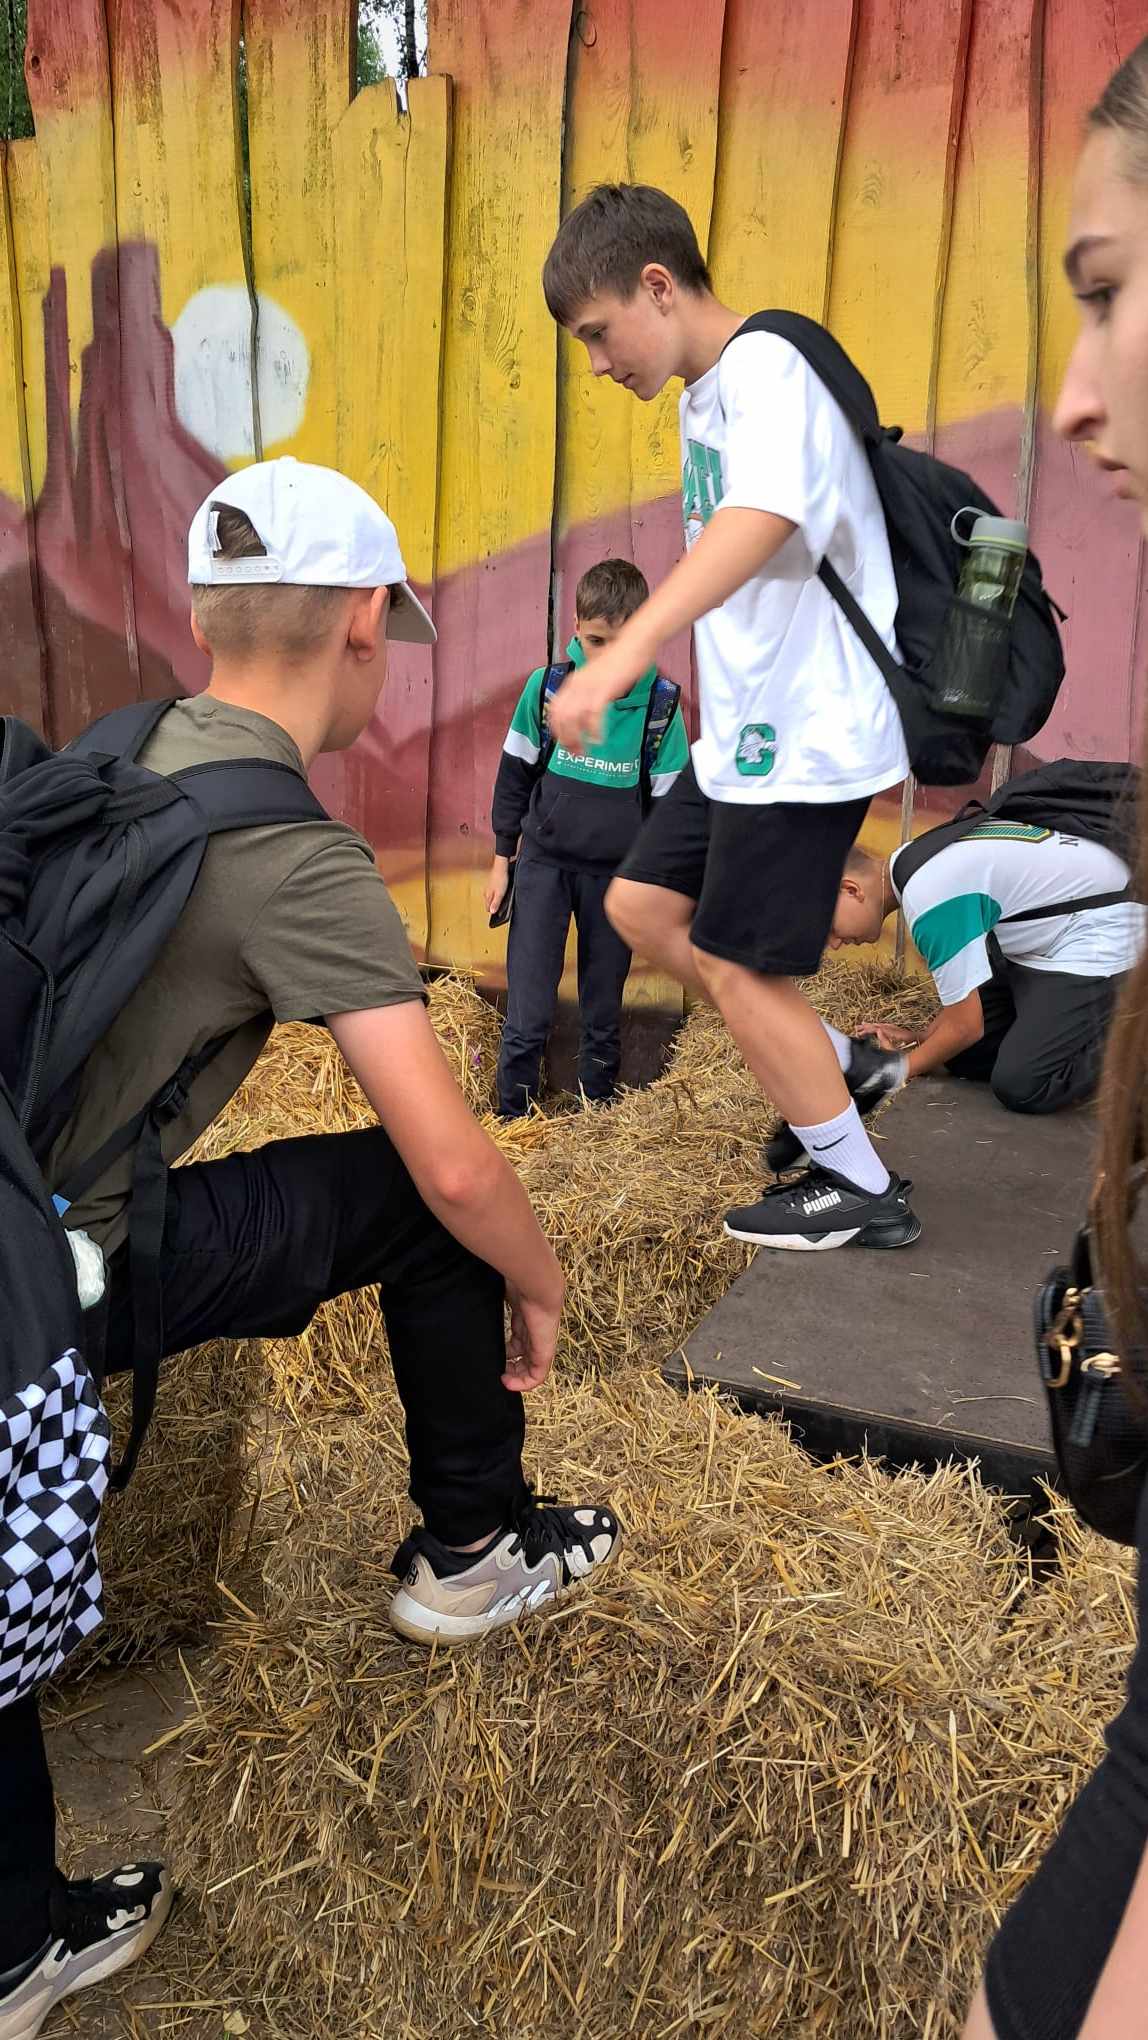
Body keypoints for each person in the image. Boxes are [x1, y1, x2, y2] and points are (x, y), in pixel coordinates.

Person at [0, 457, 619, 2040]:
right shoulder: (294, 853)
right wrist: (541, 1277)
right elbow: (456, 1161)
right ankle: (473, 1550)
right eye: (386, 637)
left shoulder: (122, 747)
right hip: (65, 1278)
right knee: (424, 1201)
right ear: (359, 621)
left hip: (2, 1248)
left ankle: (16, 1947)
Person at [540, 183, 919, 1254]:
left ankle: (857, 1185)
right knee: (640, 904)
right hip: (748, 741)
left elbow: (762, 517)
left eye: (598, 332)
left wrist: (627, 652)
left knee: (741, 963)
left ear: (657, 286)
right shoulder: (705, 397)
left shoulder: (765, 368)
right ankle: (842, 1066)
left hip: (807, 733)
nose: (596, 364)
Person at [963, 38, 1148, 2040]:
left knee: (1009, 1062)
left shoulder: (930, 882)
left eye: (1102, 291)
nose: (1072, 394)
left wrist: (890, 1054)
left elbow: (950, 1004)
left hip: (1086, 965)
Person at [485, 557, 688, 1116]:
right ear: (575, 627)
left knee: (603, 1006)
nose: (605, 658)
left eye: (620, 644)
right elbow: (514, 774)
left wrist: (661, 886)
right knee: (528, 1006)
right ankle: (512, 1117)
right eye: (595, 641)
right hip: (543, 866)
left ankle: (597, 1117)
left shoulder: (661, 706)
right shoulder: (547, 688)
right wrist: (502, 858)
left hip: (617, 879)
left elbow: (671, 809)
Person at [825, 817, 1145, 1117]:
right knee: (963, 1055)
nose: (834, 944)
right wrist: (921, 1038)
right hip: (1047, 935)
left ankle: (1137, 1036)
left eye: (829, 929)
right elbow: (964, 1011)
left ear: (851, 890)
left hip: (1102, 929)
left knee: (1023, 1084)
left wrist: (893, 1072)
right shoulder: (913, 861)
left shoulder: (928, 900)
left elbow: (966, 1026)